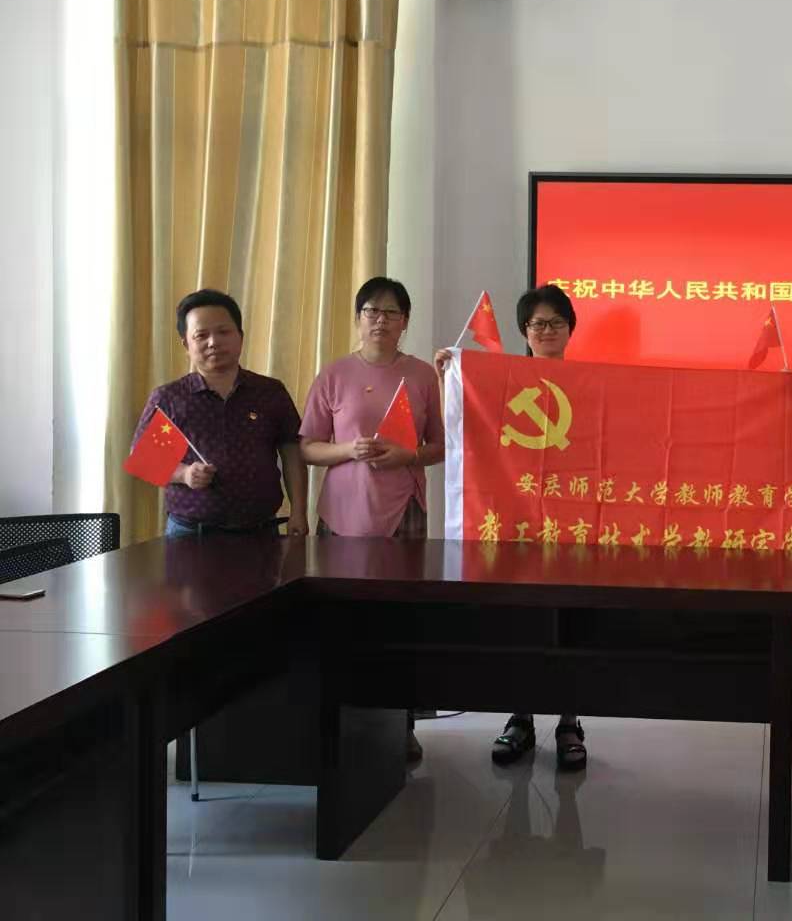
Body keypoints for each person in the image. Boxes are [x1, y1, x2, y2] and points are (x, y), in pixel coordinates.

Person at [435, 284, 588, 772]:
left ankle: (569, 721)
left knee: (568, 621)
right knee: (519, 620)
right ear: (524, 331)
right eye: (537, 323)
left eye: (556, 323)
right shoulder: (503, 381)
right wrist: (451, 377)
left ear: (570, 330)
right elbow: (466, 429)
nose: (547, 331)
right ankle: (519, 716)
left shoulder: (593, 383)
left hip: (572, 523)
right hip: (516, 520)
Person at [300, 276, 444, 762]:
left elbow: (442, 446)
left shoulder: (422, 376)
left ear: (406, 322)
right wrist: (348, 450)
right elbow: (307, 447)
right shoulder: (334, 374)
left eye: (391, 313)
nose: (380, 320)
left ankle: (402, 726)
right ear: (358, 318)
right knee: (343, 621)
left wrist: (409, 455)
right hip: (344, 514)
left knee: (401, 621)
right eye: (371, 311)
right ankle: (343, 724)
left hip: (404, 511)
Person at [134, 289, 307, 538]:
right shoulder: (170, 398)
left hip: (260, 531)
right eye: (201, 335)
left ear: (240, 337)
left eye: (223, 332)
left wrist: (299, 511)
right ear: (186, 344)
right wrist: (184, 474)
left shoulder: (269, 392)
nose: (213, 342)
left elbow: (291, 451)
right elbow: (146, 459)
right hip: (191, 534)